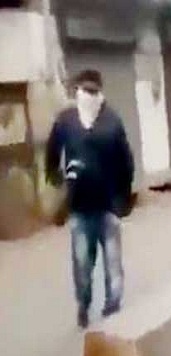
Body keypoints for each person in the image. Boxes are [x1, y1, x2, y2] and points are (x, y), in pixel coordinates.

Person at [45, 69, 134, 329]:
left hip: (108, 207)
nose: (89, 96)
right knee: (82, 265)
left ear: (100, 93)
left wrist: (123, 200)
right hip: (79, 209)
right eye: (85, 91)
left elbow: (126, 162)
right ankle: (83, 306)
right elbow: (52, 152)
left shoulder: (112, 121)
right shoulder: (66, 121)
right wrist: (55, 178)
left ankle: (113, 309)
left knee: (113, 264)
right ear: (77, 92)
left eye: (94, 91)